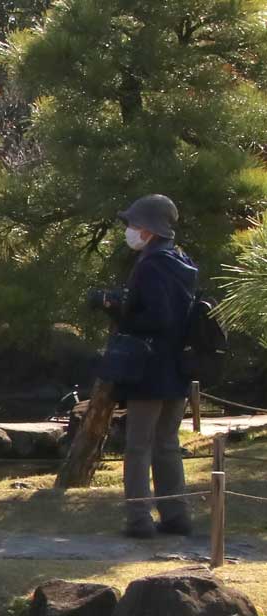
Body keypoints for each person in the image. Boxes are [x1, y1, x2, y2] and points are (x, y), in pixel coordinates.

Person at [108, 194, 199, 538]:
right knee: (167, 444)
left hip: (147, 369)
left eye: (133, 224)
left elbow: (156, 318)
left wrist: (118, 310)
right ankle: (176, 515)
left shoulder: (150, 264)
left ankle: (139, 520)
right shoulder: (182, 260)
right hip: (177, 368)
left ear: (148, 229)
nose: (130, 230)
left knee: (138, 445)